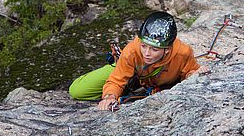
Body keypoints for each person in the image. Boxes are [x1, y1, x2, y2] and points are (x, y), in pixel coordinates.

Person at [69, 11, 209, 110]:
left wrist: (195, 74)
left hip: (147, 81)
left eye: (154, 49)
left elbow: (189, 72)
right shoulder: (132, 51)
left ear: (167, 49)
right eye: (144, 46)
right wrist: (109, 96)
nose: (146, 53)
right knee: (77, 91)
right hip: (129, 71)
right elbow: (117, 80)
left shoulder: (182, 53)